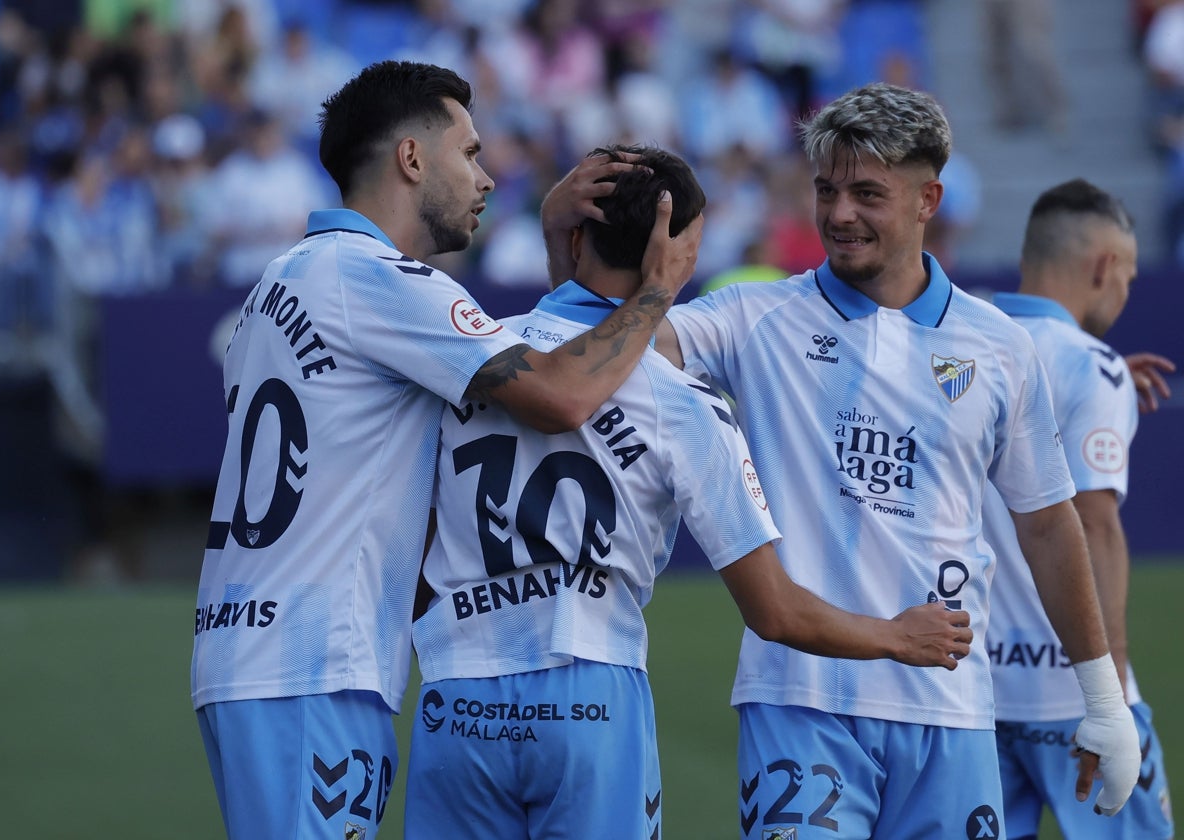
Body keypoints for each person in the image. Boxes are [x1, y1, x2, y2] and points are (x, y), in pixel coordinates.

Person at [189, 60, 703, 840]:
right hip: (313, 666)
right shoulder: (381, 280)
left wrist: (555, 250)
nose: (486, 178)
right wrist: (656, 291)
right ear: (410, 159)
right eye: (469, 153)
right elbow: (560, 394)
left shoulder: (282, 280)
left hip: (255, 652)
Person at [405, 144, 973, 839]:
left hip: (456, 694)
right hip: (592, 695)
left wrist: (560, 234)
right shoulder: (686, 404)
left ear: (576, 236)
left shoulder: (479, 356)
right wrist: (893, 636)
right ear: (672, 258)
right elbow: (775, 611)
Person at [639, 82, 1142, 838]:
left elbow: (1047, 524)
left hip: (951, 709)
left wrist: (1105, 701)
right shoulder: (756, 316)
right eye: (827, 190)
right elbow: (628, 349)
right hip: (801, 701)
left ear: (927, 199)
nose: (840, 214)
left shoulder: (999, 345)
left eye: (868, 193)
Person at [984, 179, 1175, 840]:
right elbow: (1093, 526)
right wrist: (1112, 697)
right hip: (1070, 695)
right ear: (1103, 268)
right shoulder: (1089, 367)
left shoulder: (958, 340)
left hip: (967, 694)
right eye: (1124, 275)